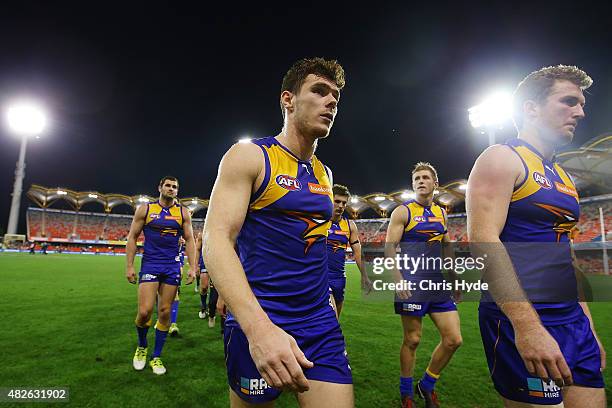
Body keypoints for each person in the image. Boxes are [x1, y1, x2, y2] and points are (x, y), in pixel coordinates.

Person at [203, 57, 353, 407]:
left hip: (319, 322)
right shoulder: (250, 156)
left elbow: (314, 240)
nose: (331, 101)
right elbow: (217, 239)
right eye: (319, 91)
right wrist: (258, 330)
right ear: (288, 100)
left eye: (335, 97)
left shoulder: (325, 175)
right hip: (261, 317)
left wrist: (327, 295)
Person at [466, 65, 606, 407]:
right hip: (523, 319)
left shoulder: (563, 178)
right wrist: (527, 328)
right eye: (569, 101)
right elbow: (483, 243)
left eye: (582, 104)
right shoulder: (501, 158)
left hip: (571, 321)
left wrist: (586, 324)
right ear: (530, 108)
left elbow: (566, 257)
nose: (581, 112)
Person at [385, 162, 462, 408]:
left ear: (434, 183)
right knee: (413, 339)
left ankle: (426, 385)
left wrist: (453, 275)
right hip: (411, 282)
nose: (420, 181)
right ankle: (406, 394)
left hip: (436, 283)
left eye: (425, 177)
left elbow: (447, 243)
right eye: (417, 178)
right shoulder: (403, 212)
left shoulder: (442, 213)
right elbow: (389, 248)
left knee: (453, 339)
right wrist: (398, 280)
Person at [125, 176, 197, 375]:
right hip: (150, 264)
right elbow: (132, 237)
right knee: (145, 311)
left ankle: (156, 357)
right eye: (168, 185)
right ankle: (142, 346)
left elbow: (190, 240)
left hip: (172, 266)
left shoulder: (183, 213)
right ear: (160, 187)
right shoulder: (146, 209)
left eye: (175, 187)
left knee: (165, 311)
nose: (172, 189)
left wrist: (193, 266)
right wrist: (129, 266)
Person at [326, 184, 372, 317]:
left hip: (339, 278)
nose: (340, 206)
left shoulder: (350, 226)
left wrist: (365, 275)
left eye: (344, 203)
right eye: (337, 201)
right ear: (330, 199)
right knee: (330, 316)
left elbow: (357, 252)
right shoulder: (319, 222)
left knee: (336, 320)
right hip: (321, 277)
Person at [169, 236, 186, 336]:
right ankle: (161, 318)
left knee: (175, 293)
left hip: (174, 266)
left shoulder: (181, 241)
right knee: (159, 296)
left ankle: (173, 324)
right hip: (159, 262)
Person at [195, 231, 211, 319]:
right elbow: (197, 250)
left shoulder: (220, 231)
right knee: (204, 287)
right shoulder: (202, 234)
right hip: (204, 262)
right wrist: (196, 265)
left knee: (217, 289)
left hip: (217, 263)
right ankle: (203, 306)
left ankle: (211, 307)